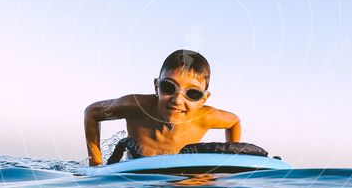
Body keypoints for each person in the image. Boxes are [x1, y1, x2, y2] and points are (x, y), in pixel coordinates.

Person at [84, 49, 241, 166]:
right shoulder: (136, 106)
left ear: (203, 99)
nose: (178, 100)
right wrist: (96, 164)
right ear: (156, 87)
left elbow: (234, 122)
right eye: (168, 87)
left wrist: (233, 159)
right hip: (136, 175)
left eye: (192, 93)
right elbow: (92, 112)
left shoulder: (205, 118)